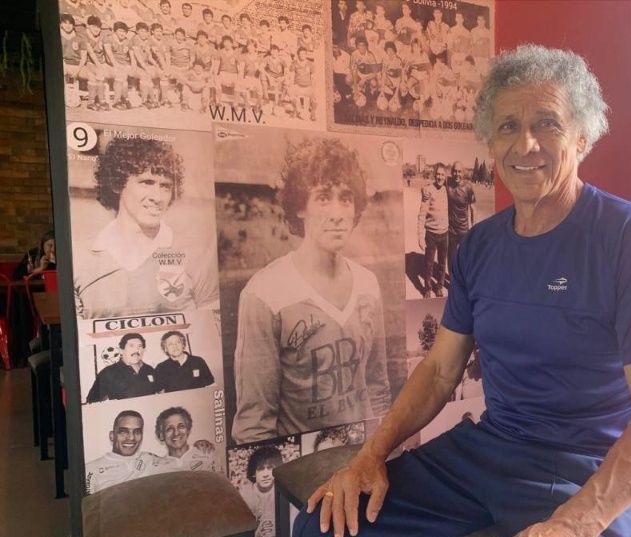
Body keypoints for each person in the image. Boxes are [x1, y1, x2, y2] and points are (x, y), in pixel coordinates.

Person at [291, 44, 631, 537]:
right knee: (325, 536)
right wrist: (371, 455)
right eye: (508, 126)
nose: (525, 144)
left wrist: (571, 530)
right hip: (489, 450)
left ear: (581, 137)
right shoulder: (480, 245)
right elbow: (439, 371)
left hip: (586, 469)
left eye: (547, 123)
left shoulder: (628, 234)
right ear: (491, 142)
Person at [231, 137, 392, 443]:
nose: (337, 213)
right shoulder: (264, 294)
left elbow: (377, 388)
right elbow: (254, 425)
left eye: (346, 198)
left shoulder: (368, 284)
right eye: (323, 198)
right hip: (305, 466)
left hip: (362, 460)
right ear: (300, 206)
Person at [72, 136, 218, 319]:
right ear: (117, 183)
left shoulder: (196, 253)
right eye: (146, 182)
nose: (158, 197)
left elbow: (212, 326)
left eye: (165, 186)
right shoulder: (80, 256)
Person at [85, 410, 180, 494]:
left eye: (137, 432)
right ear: (112, 436)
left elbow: (180, 470)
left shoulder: (149, 459)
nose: (131, 438)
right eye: (124, 432)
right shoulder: (90, 470)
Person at [238, 446, 282, 537]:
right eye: (260, 469)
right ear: (253, 473)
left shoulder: (282, 491)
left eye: (270, 468)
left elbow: (289, 531)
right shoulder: (246, 495)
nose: (266, 473)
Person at [86, 333, 159, 402]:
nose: (137, 350)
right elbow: (92, 401)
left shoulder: (150, 370)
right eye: (131, 346)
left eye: (140, 346)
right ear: (121, 350)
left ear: (143, 350)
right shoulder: (107, 373)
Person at [417, 163, 449, 298]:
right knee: (429, 264)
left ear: (445, 176)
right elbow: (422, 214)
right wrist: (420, 236)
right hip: (431, 234)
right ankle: (427, 288)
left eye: (442, 174)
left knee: (442, 264)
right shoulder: (428, 190)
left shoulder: (447, 190)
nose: (440, 177)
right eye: (438, 174)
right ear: (434, 175)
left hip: (444, 234)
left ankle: (439, 286)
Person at [155, 406, 218, 472]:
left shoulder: (206, 452)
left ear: (188, 430)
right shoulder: (158, 468)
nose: (176, 433)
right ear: (161, 435)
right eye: (170, 429)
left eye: (181, 426)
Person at [445, 161, 476, 276]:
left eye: (459, 171)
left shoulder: (468, 187)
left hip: (464, 230)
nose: (457, 174)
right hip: (451, 230)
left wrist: (473, 228)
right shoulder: (447, 183)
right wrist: (425, 190)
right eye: (455, 171)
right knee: (451, 258)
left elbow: (473, 209)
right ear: (451, 172)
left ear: (463, 173)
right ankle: (452, 280)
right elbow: (434, 184)